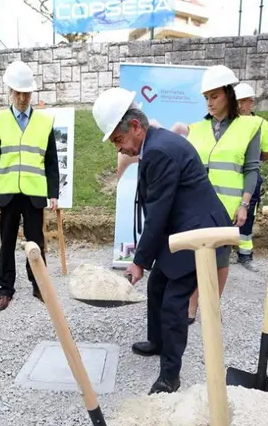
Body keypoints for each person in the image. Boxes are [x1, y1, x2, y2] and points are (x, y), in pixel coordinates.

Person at [92, 87, 233, 395]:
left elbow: (157, 212)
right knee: (157, 287)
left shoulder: (158, 150)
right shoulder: (155, 143)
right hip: (181, 226)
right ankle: (157, 342)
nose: (119, 149)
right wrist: (144, 261)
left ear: (135, 127)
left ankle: (170, 375)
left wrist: (139, 261)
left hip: (199, 232)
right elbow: (159, 209)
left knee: (173, 303)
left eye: (118, 140)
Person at [179, 65, 264, 324]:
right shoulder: (196, 128)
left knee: (220, 259)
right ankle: (191, 306)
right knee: (193, 257)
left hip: (227, 207)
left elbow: (252, 169)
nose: (209, 103)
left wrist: (244, 204)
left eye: (214, 96)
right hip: (196, 206)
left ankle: (212, 307)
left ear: (229, 94)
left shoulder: (250, 127)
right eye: (206, 98)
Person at [0, 60, 60, 311]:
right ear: (10, 92)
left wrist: (53, 193)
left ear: (32, 93)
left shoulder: (44, 122)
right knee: (6, 242)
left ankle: (39, 286)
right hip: (6, 193)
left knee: (36, 241)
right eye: (17, 93)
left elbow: (51, 161)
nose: (22, 98)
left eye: (26, 93)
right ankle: (5, 289)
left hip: (34, 193)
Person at [233, 82, 268, 272]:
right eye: (242, 101)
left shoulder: (260, 124)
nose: (246, 105)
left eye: (247, 101)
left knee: (248, 212)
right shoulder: (229, 122)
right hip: (232, 173)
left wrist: (252, 162)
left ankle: (244, 252)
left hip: (248, 173)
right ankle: (228, 249)